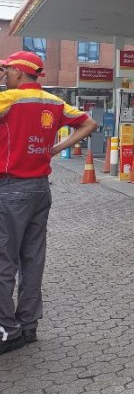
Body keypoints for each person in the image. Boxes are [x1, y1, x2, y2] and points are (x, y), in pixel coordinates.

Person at [0, 51, 98, 355]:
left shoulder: (10, 99)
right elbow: (89, 124)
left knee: (4, 262)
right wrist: (53, 149)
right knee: (32, 259)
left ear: (18, 72)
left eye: (6, 70)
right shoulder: (54, 102)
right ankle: (28, 325)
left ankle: (7, 330)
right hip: (40, 189)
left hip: (10, 188)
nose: (4, 75)